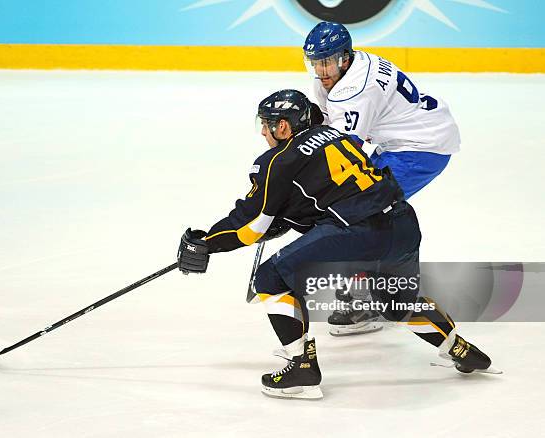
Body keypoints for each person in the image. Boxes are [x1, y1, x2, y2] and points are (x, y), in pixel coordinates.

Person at [177, 89, 493, 399]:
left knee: (270, 279)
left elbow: (249, 226)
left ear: (283, 126)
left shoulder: (277, 161)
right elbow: (328, 191)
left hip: (357, 231)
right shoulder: (334, 135)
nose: (263, 131)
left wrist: (206, 243)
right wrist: (285, 219)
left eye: (267, 123)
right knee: (397, 302)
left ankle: (302, 368)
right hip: (402, 222)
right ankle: (459, 348)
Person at [303, 21, 462, 335]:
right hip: (411, 136)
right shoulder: (346, 69)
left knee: (364, 212)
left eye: (327, 62)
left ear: (344, 57)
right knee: (357, 208)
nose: (321, 70)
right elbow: (323, 122)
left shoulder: (355, 91)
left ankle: (368, 299)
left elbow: (344, 151)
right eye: (315, 63)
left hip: (421, 148)